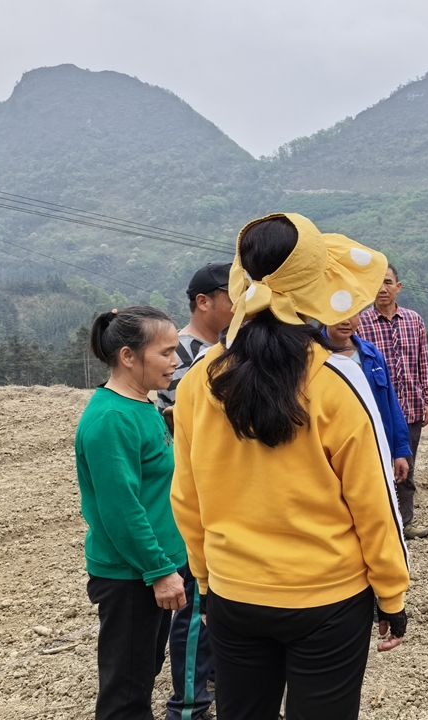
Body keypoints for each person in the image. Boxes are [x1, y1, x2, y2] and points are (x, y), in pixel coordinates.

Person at [171, 213, 409, 720]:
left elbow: (186, 497)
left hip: (234, 594)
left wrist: (206, 582)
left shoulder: (197, 383)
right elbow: (374, 501)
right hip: (329, 600)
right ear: (318, 284)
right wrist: (392, 594)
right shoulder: (337, 382)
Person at [75, 306, 187, 720]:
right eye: (166, 352)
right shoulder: (110, 419)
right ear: (127, 356)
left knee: (141, 674)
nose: (176, 361)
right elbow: (121, 509)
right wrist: (159, 571)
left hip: (150, 566)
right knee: (126, 692)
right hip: (131, 575)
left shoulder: (142, 406)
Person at [155, 261, 232, 720]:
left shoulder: (223, 350)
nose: (236, 301)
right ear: (203, 301)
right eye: (228, 293)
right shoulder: (184, 357)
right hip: (194, 496)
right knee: (195, 600)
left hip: (220, 494)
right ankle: (187, 704)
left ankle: (214, 673)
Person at [357, 264, 428, 540]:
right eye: (377, 283)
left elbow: (424, 361)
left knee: (407, 468)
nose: (382, 288)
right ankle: (379, 522)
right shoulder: (361, 323)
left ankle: (406, 522)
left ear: (398, 287)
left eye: (388, 282)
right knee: (373, 466)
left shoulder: (413, 320)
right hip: (375, 411)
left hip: (411, 408)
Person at [324, 314, 413, 484]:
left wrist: (400, 451)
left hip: (374, 448)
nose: (345, 321)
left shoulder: (371, 354)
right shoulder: (310, 354)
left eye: (352, 314)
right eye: (339, 314)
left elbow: (390, 403)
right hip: (331, 452)